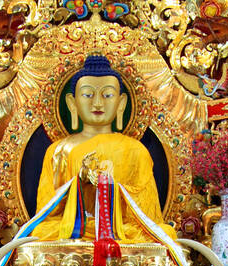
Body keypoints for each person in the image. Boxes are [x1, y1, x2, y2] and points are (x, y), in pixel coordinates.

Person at [30, 55, 174, 244]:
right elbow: (46, 214)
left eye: (107, 95)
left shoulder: (136, 151)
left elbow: (148, 217)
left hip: (123, 233)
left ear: (121, 103)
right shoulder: (58, 151)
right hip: (75, 232)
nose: (97, 103)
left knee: (165, 234)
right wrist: (78, 187)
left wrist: (109, 189)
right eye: (88, 95)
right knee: (39, 232)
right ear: (72, 103)